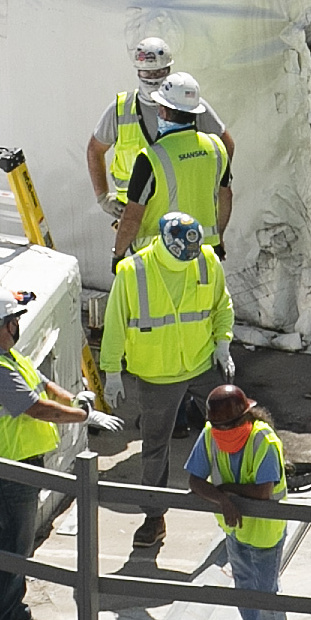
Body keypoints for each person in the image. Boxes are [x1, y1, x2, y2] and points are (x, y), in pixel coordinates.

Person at [97, 208, 234, 567]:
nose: (187, 261)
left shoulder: (204, 259)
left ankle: (243, 500)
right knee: (155, 447)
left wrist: (223, 342)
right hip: (158, 374)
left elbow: (222, 304)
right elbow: (115, 325)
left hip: (203, 362)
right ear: (164, 244)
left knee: (236, 431)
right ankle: (154, 516)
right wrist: (111, 371)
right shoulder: (133, 272)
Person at [0, 286, 90, 620]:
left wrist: (76, 399)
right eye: (15, 318)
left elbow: (44, 385)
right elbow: (38, 407)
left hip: (18, 465)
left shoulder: (5, 356)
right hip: (7, 469)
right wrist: (83, 416)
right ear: (5, 324)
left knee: (17, 546)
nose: (18, 325)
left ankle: (14, 613)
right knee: (13, 549)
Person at [182, 380, 296, 620]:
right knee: (246, 595)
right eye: (218, 427)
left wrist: (227, 490)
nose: (223, 433)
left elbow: (262, 493)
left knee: (266, 595)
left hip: (266, 532)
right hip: (235, 532)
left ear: (246, 417)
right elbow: (195, 481)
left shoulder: (264, 441)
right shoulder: (210, 435)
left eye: (228, 425)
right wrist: (222, 500)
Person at [108, 70, 236, 258]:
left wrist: (118, 254)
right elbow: (226, 197)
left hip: (159, 258)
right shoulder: (216, 148)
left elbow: (132, 218)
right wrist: (217, 238)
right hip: (205, 253)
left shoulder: (150, 158)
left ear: (163, 110)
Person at [83, 35, 179, 260]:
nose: (153, 78)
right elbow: (94, 150)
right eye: (148, 72)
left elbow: (220, 145)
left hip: (175, 216)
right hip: (135, 218)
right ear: (138, 71)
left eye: (159, 72)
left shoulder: (184, 104)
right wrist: (103, 198)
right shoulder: (121, 109)